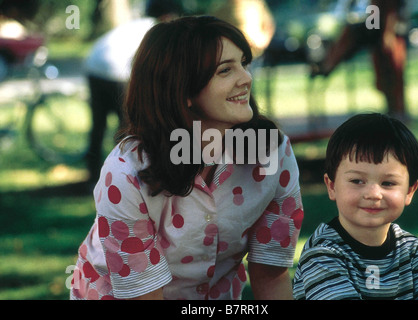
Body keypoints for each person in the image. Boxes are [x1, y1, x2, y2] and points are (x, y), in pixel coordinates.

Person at [70, 16, 304, 300]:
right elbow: (144, 297)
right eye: (225, 70)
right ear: (184, 90)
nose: (246, 78)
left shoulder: (273, 155)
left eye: (244, 64)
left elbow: (271, 277)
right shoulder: (126, 173)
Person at [293, 113, 418, 300]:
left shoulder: (411, 251)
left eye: (388, 183)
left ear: (409, 191)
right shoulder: (322, 255)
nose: (373, 194)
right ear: (332, 186)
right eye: (357, 181)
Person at [84, 0, 182, 184]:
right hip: (114, 70)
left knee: (98, 124)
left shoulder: (138, 24)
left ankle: (93, 174)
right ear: (167, 16)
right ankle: (120, 175)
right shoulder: (158, 32)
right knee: (126, 125)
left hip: (93, 64)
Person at [311, 0, 409, 117]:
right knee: (385, 76)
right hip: (377, 28)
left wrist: (388, 32)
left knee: (392, 74)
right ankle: (328, 64)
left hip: (388, 31)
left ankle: (327, 65)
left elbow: (390, 12)